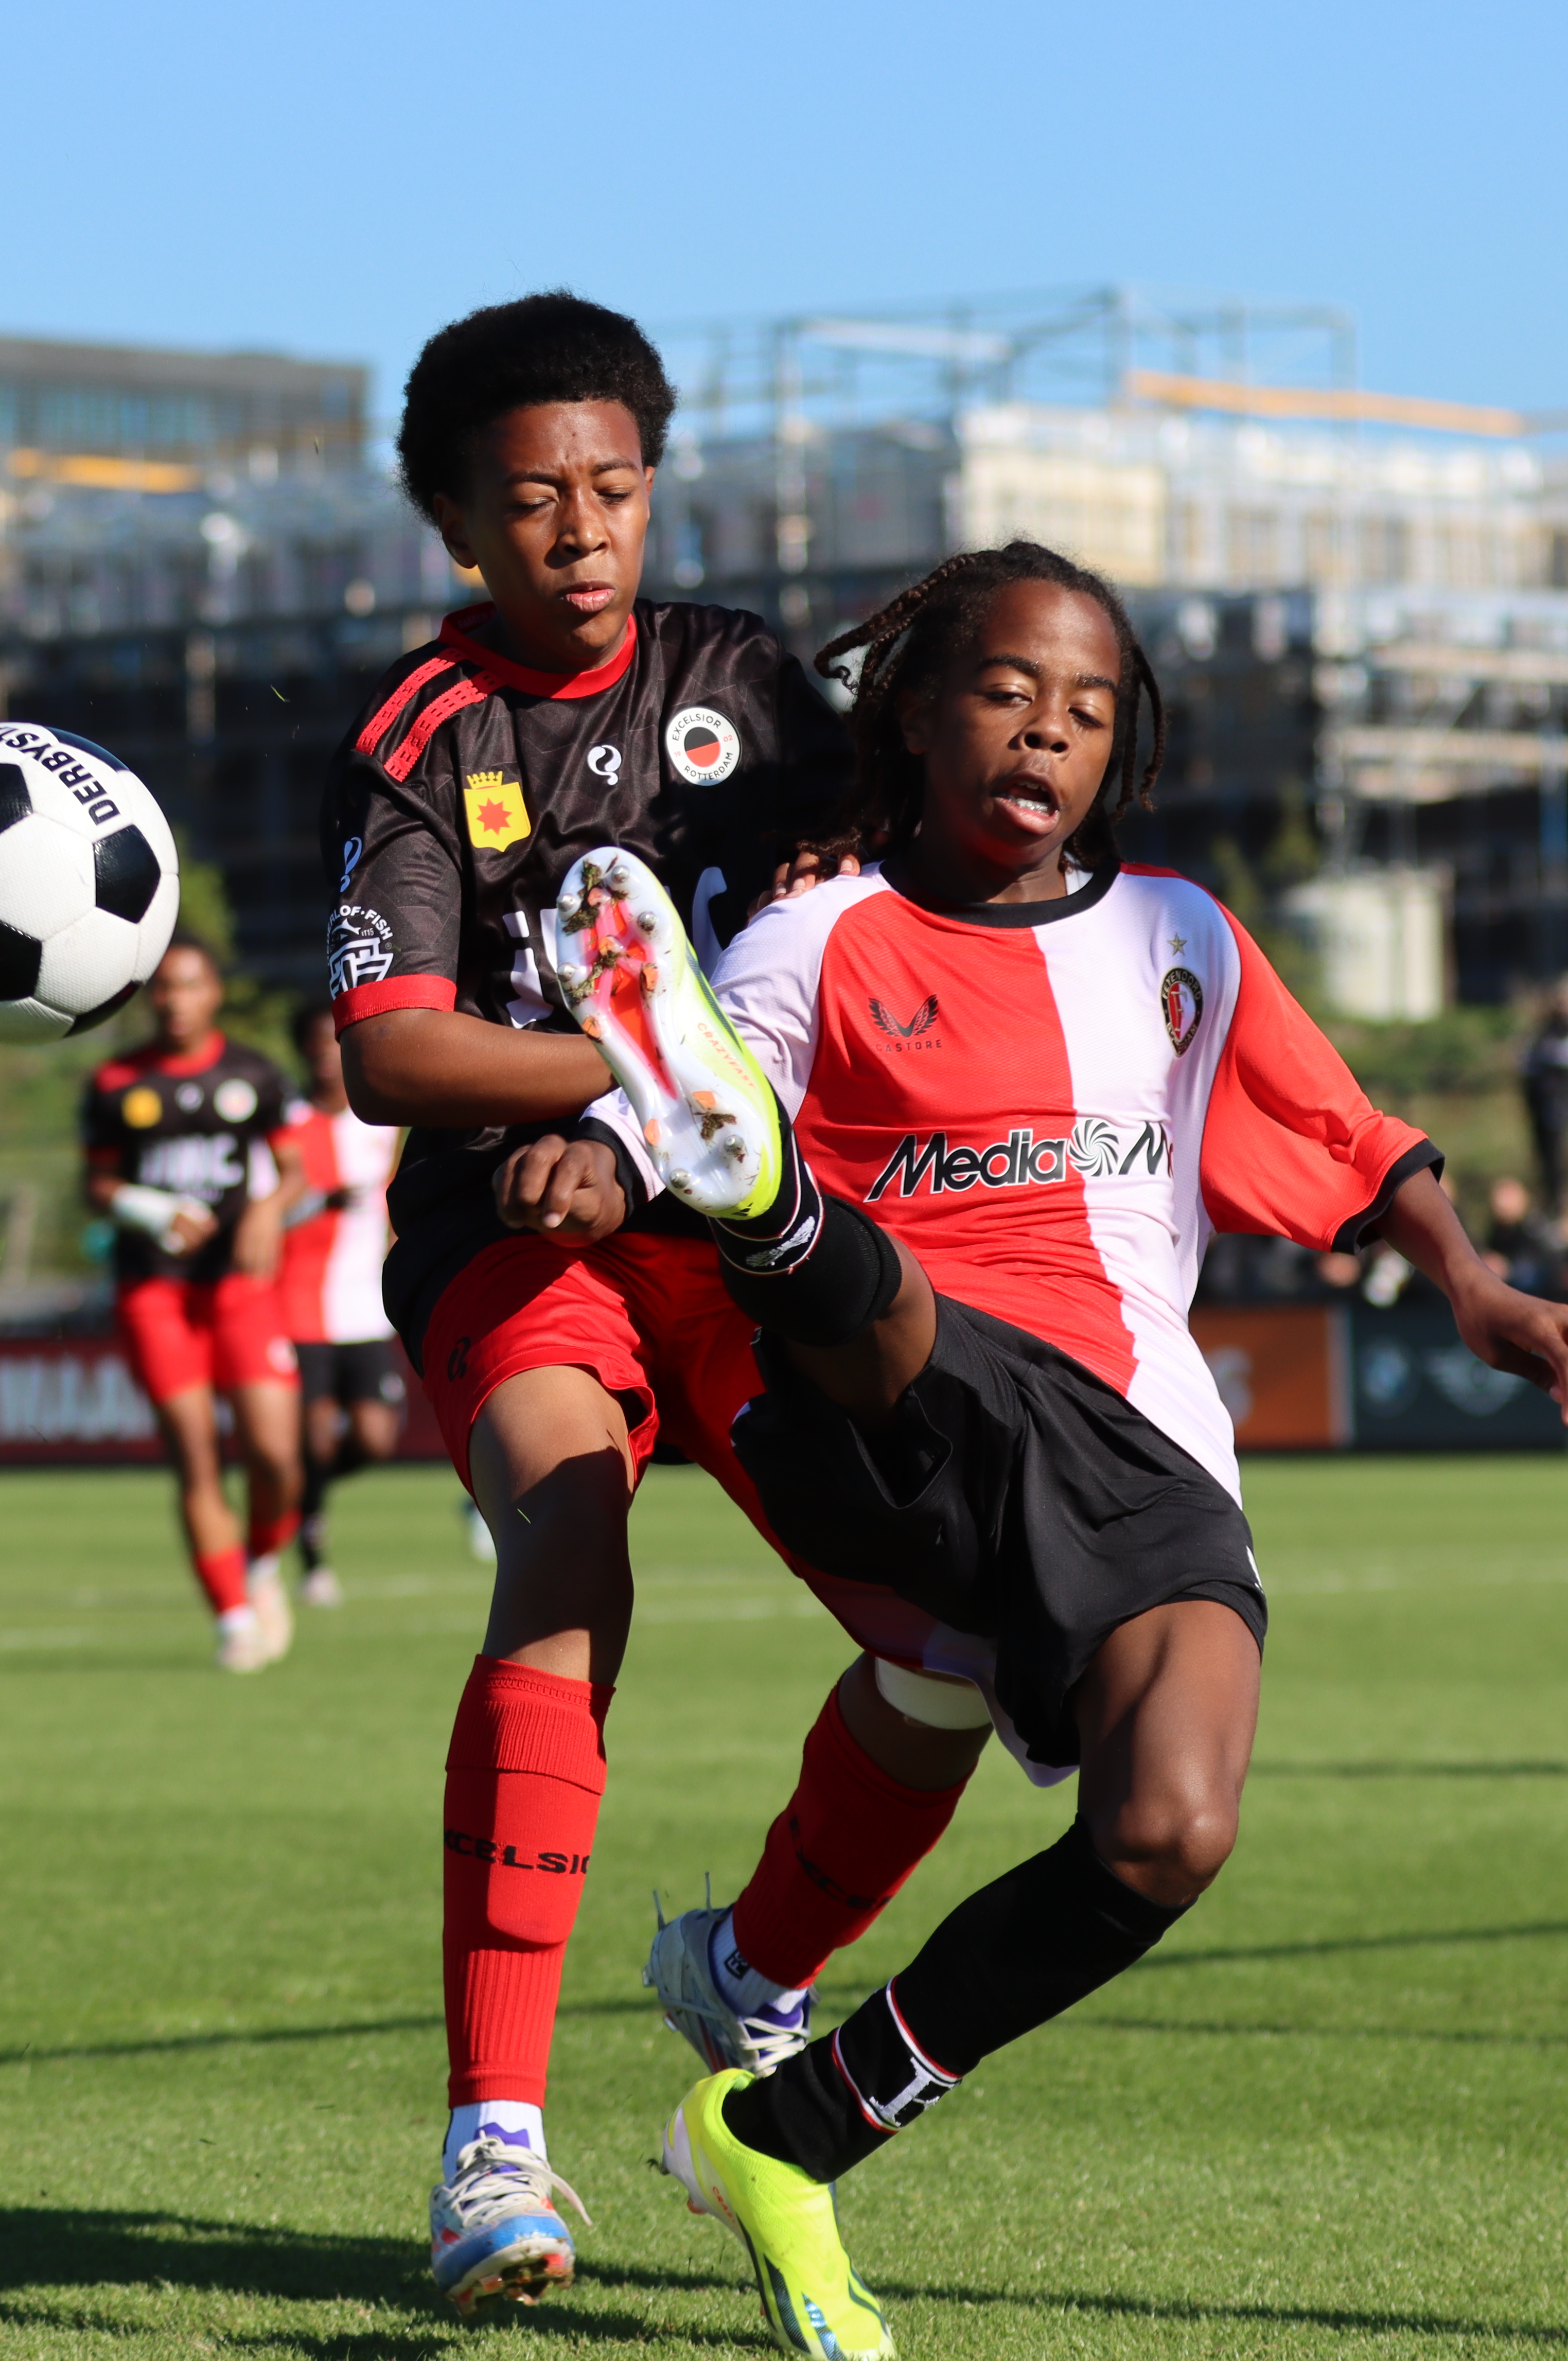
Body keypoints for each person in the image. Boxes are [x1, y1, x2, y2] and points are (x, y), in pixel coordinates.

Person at [490, 539, 1568, 2356]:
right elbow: (680, 1094)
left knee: (1167, 1833)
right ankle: (777, 1205)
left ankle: (781, 2137)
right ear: (921, 715)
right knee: (881, 1308)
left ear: (1124, 749)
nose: (1049, 731)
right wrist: (621, 1149)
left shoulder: (1177, 938)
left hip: (1146, 1454)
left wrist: (1478, 1287)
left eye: (1090, 708)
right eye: (1009, 691)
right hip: (879, 1411)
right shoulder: (821, 934)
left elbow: (1347, 1130)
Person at [320, 291, 975, 2314]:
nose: (580, 529)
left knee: (951, 1642)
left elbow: (844, 926)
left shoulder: (745, 683)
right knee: (568, 1548)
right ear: (452, 521)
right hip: (516, 1249)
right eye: (532, 500)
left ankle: (747, 1964)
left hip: (742, 1242)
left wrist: (919, 754)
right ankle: (491, 2146)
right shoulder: (426, 738)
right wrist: (631, 1083)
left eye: (612, 487)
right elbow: (387, 1049)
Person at [81, 937, 309, 1672]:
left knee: (276, 1457)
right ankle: (232, 1618)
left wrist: (269, 1210)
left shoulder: (254, 1074)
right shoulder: (117, 1081)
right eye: (163, 989)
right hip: (155, 1288)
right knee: (196, 1455)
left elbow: (295, 1171)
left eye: (189, 986)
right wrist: (152, 1211)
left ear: (215, 993)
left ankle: (265, 1561)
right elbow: (98, 1186)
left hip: (239, 1287)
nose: (175, 1001)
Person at [276, 998, 404, 1607]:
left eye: (336, 1041)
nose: (327, 1054)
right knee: (316, 1436)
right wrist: (318, 1202)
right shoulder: (287, 1126)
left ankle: (294, 1494)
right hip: (298, 1306)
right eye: (316, 1042)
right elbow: (261, 1209)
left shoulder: (382, 1122)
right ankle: (312, 1552)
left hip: (365, 1309)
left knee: (376, 1437)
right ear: (303, 1051)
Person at [1520, 1002, 1568, 1215]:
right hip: (1544, 1108)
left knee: (1561, 1162)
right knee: (1548, 1162)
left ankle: (1565, 1205)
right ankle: (1553, 1204)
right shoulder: (1540, 1036)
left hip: (1565, 1106)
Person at [1478, 1174, 1555, 1291]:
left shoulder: (1535, 1229)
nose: (1501, 1203)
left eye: (1507, 1198)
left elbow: (1544, 1268)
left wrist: (1508, 1269)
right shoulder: (1498, 1232)